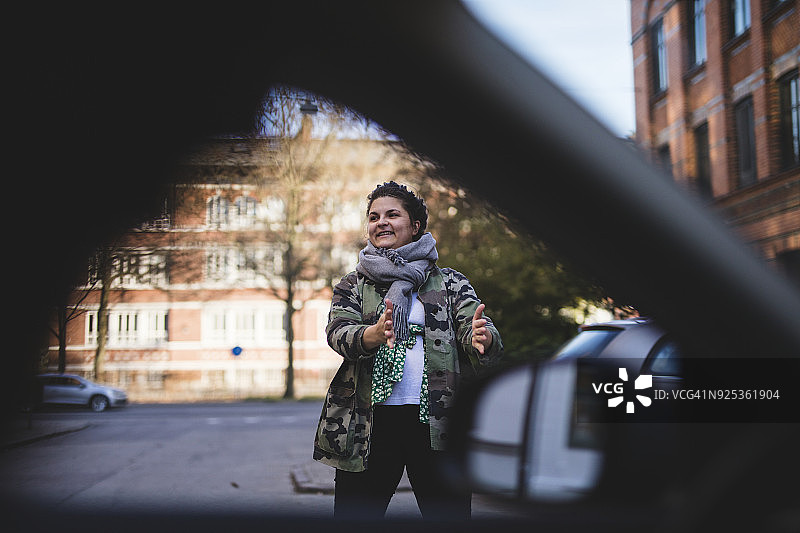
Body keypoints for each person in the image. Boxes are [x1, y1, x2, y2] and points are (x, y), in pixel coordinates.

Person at [313, 181, 503, 520]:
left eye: (392, 214)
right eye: (373, 217)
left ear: (415, 226)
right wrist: (371, 335)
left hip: (437, 425)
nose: (381, 222)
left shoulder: (449, 283)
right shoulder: (354, 284)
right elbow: (338, 333)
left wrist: (481, 337)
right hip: (367, 425)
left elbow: (471, 324)